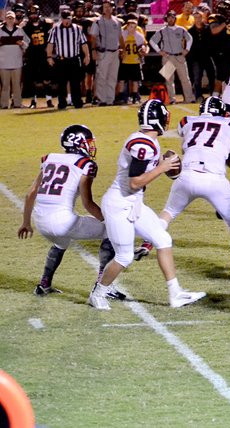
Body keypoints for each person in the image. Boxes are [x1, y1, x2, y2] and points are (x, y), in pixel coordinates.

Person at [91, 100, 206, 310]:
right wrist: (162, 167)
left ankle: (176, 294)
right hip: (120, 204)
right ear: (160, 119)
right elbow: (134, 182)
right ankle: (98, 293)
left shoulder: (147, 140)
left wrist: (161, 164)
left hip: (133, 202)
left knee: (163, 239)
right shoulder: (143, 144)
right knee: (124, 256)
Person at [17, 125, 116, 299]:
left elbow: (31, 193)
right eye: (88, 142)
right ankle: (102, 286)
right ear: (79, 143)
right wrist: (108, 221)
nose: (91, 146)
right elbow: (88, 203)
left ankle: (44, 284)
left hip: (40, 222)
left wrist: (26, 223)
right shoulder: (85, 164)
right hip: (62, 222)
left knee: (61, 242)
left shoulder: (49, 158)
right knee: (111, 231)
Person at [158, 96, 230, 277]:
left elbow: (187, 148)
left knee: (168, 212)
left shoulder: (187, 121)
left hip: (187, 175)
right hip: (214, 179)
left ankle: (148, 241)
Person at [46, 9, 90, 110]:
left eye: (69, 19)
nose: (67, 21)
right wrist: (49, 57)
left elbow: (83, 43)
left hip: (74, 59)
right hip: (61, 60)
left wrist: (87, 55)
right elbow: (50, 44)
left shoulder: (77, 29)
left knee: (75, 82)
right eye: (65, 19)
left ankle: (77, 102)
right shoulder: (55, 30)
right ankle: (62, 102)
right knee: (61, 82)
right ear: (61, 19)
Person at [149, 9, 195, 104]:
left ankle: (189, 98)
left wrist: (187, 49)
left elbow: (190, 39)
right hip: (167, 57)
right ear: (166, 18)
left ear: (175, 18)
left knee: (185, 79)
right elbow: (152, 41)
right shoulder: (162, 31)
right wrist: (159, 51)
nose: (171, 19)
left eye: (173, 17)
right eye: (169, 17)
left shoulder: (181, 29)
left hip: (179, 57)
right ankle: (171, 99)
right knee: (169, 80)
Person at [89, 0, 121, 106]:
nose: (107, 9)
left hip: (115, 51)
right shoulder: (98, 21)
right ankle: (101, 99)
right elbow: (93, 37)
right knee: (102, 76)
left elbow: (120, 37)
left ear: (113, 8)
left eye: (109, 7)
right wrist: (93, 50)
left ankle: (110, 99)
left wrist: (123, 49)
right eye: (105, 7)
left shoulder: (117, 21)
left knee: (112, 76)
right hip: (103, 52)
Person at [22, 5, 54, 109]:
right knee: (33, 80)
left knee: (46, 79)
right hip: (32, 55)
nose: (33, 16)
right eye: (31, 14)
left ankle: (49, 100)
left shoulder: (46, 24)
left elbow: (51, 37)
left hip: (43, 55)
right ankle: (33, 101)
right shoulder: (26, 27)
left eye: (35, 14)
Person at [116, 14, 147, 104]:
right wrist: (120, 51)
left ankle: (134, 96)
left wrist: (142, 50)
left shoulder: (139, 36)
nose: (132, 29)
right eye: (130, 27)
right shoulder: (123, 35)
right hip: (125, 60)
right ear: (127, 27)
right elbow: (118, 46)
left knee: (135, 80)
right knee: (122, 80)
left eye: (134, 27)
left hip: (135, 60)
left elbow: (143, 46)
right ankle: (120, 96)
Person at [0, 10, 28, 109]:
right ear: (5, 19)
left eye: (12, 18)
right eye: (8, 18)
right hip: (3, 63)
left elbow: (27, 44)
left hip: (16, 62)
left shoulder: (19, 30)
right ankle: (3, 105)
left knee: (17, 85)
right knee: (5, 85)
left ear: (15, 19)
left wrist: (22, 44)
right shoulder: (0, 30)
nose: (10, 20)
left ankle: (17, 103)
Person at [72, 0, 97, 105]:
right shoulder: (70, 21)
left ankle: (89, 93)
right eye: (77, 10)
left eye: (81, 10)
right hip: (75, 50)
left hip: (86, 48)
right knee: (77, 75)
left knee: (90, 73)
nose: (79, 12)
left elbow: (92, 36)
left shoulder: (88, 21)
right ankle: (76, 95)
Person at [187, 8, 215, 101]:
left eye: (199, 17)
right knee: (197, 77)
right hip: (196, 57)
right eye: (195, 17)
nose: (197, 19)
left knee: (212, 75)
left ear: (202, 17)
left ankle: (213, 94)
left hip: (207, 56)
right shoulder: (190, 31)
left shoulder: (208, 28)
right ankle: (198, 96)